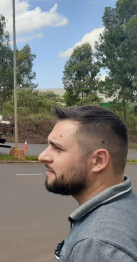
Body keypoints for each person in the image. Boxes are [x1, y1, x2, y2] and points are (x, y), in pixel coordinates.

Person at [38, 105, 137, 261]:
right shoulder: (129, 205)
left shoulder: (97, 244)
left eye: (57, 148)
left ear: (98, 161)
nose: (42, 156)